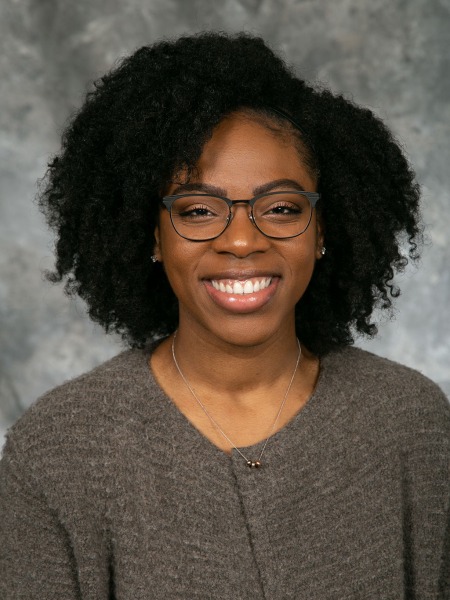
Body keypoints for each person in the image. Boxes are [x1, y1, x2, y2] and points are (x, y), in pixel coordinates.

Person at [0, 31, 448, 599]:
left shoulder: (410, 421)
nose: (242, 240)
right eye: (198, 209)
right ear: (153, 236)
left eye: (282, 207)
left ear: (323, 231)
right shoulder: (60, 446)